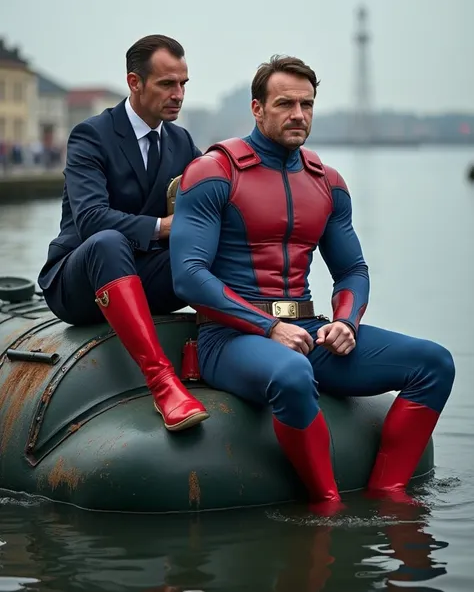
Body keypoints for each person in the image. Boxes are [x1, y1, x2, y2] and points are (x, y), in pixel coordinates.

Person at [169, 54, 455, 509]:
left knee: (434, 363)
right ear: (257, 108)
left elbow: (352, 270)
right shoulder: (214, 172)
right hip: (229, 338)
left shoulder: (326, 183)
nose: (298, 115)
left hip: (307, 329)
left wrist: (345, 323)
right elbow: (188, 276)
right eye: (285, 103)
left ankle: (389, 491)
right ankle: (327, 502)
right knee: (293, 373)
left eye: (307, 104)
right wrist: (269, 328)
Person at [38, 34, 208, 432]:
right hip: (77, 279)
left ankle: (237, 350)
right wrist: (163, 227)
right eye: (168, 84)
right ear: (135, 82)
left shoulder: (180, 141)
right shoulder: (91, 135)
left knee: (208, 247)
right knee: (109, 240)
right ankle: (163, 384)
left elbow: (217, 192)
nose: (178, 94)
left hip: (140, 274)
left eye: (183, 84)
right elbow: (92, 220)